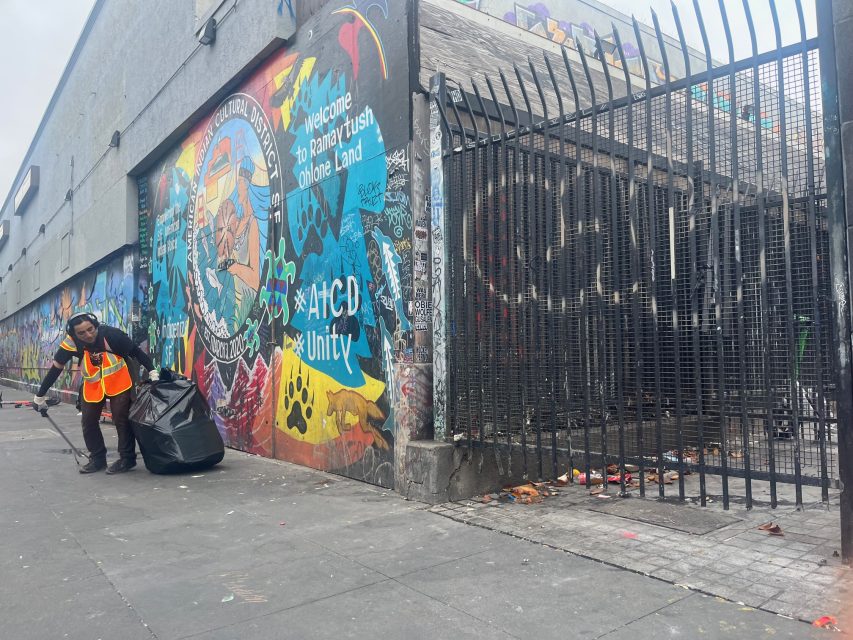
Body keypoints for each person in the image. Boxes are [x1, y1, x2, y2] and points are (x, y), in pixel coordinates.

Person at [32, 312, 158, 474]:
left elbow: (137, 353)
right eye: (81, 333)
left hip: (118, 380)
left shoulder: (112, 336)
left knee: (121, 418)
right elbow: (57, 368)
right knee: (88, 420)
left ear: (96, 325)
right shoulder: (71, 343)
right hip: (93, 385)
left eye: (90, 329)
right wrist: (40, 395)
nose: (88, 335)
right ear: (74, 334)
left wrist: (153, 373)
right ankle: (97, 459)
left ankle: (127, 459)